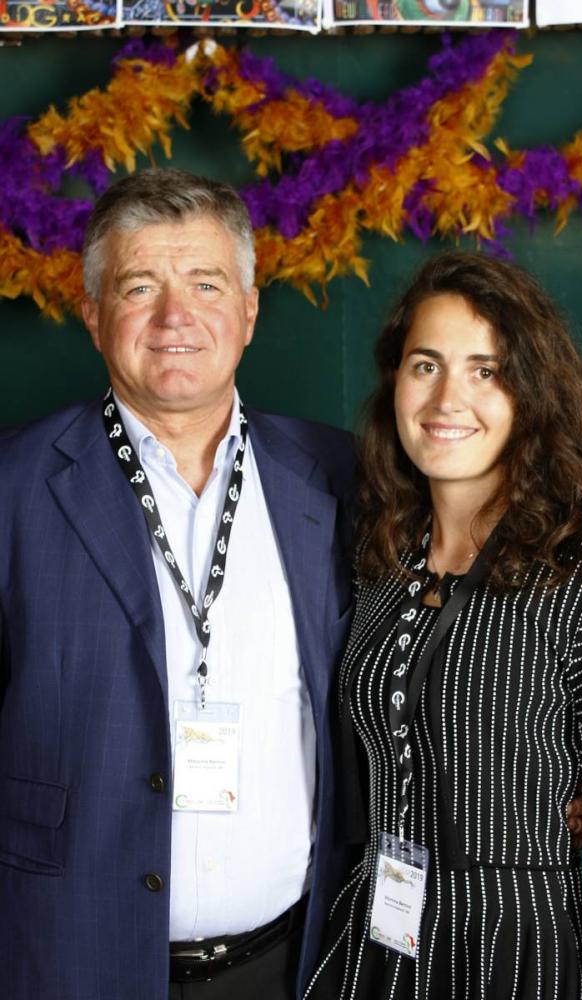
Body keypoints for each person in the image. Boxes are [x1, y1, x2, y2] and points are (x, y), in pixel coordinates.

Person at [0, 168, 356, 1000]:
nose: (175, 317)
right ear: (93, 314)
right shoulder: (12, 486)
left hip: (293, 963)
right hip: (66, 962)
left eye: (205, 283)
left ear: (249, 311)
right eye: (139, 287)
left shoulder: (340, 476)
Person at [304, 252, 582, 1000]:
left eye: (486, 372)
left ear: (531, 394)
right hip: (375, 939)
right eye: (425, 365)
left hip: (512, 947)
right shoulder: (378, 563)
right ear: (394, 382)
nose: (447, 399)